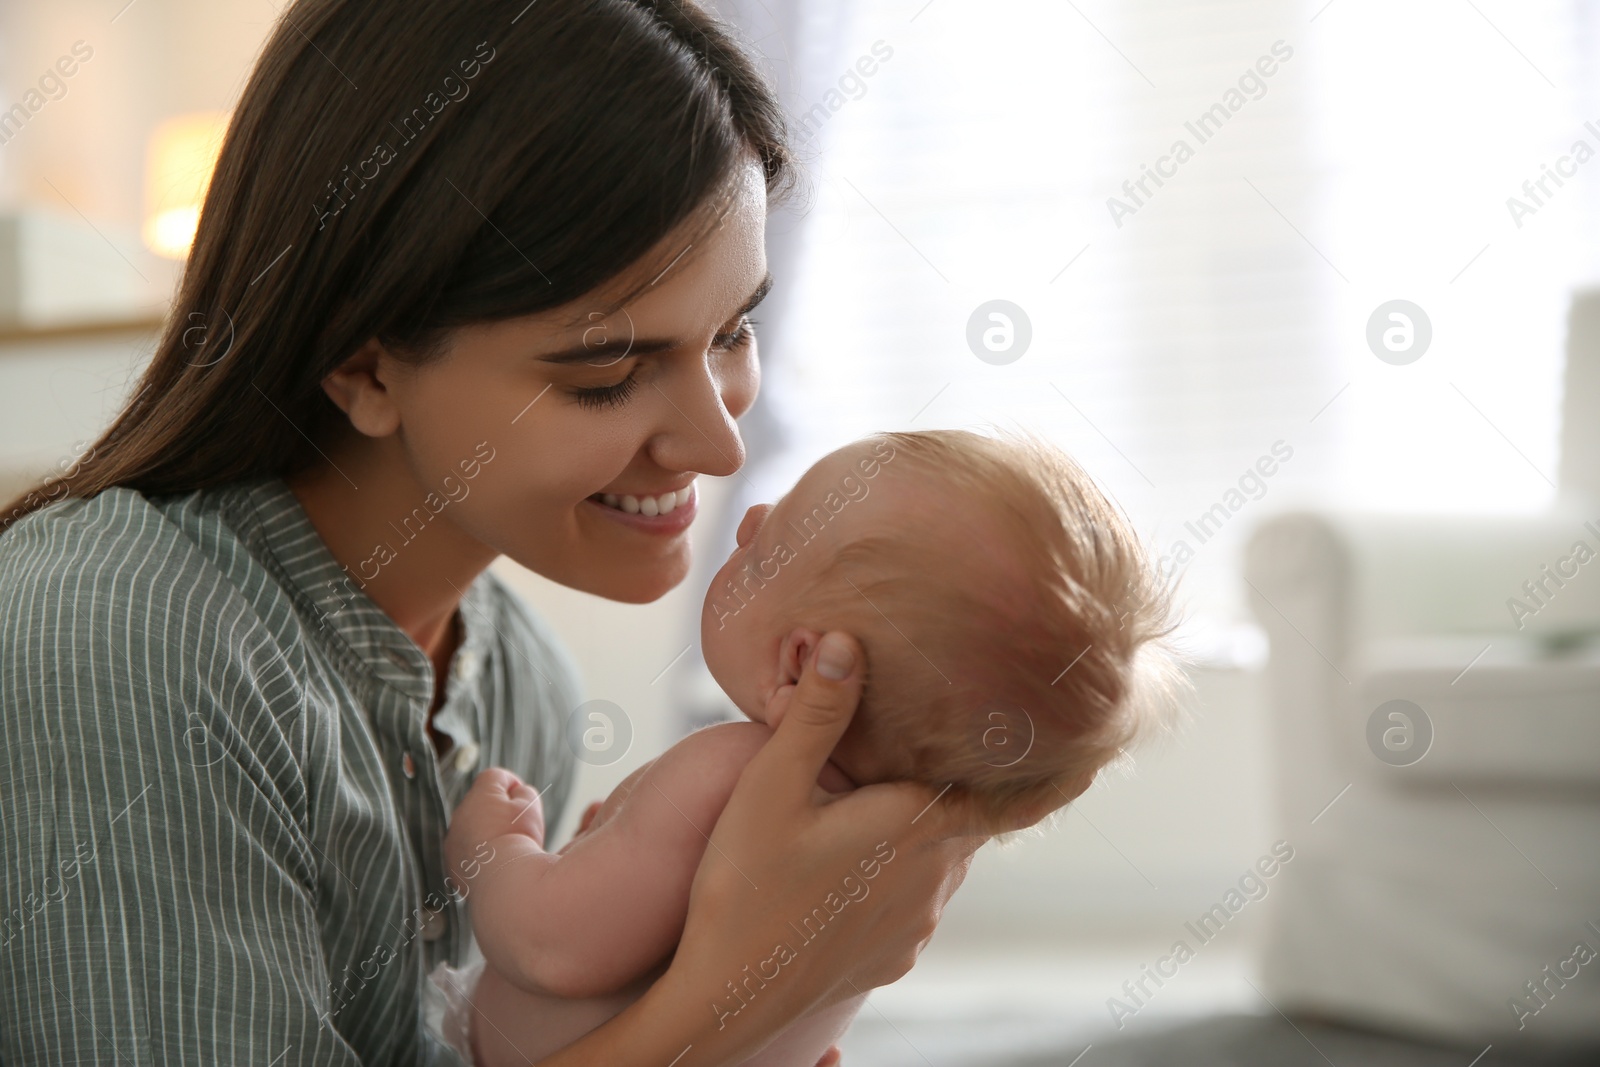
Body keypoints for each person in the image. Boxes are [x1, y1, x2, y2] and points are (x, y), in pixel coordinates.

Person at [0, 2, 1083, 1064]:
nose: (716, 444)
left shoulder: (524, 684)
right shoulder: (114, 637)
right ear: (365, 363)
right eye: (610, 374)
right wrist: (731, 1003)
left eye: (733, 330)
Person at [443, 430, 1186, 1066]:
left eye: (768, 552)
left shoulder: (724, 772)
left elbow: (550, 946)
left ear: (800, 665)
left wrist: (498, 849)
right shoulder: (888, 864)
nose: (749, 519)